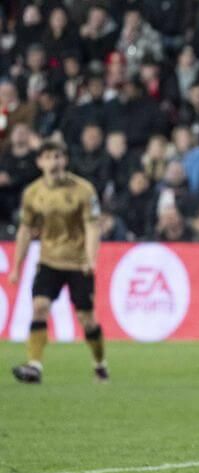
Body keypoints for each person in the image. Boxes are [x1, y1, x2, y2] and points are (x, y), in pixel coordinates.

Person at [9, 140, 109, 384]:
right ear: (40, 162)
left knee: (87, 319)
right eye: (48, 157)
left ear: (65, 160)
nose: (54, 161)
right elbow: (25, 229)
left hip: (77, 263)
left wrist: (91, 257)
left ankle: (99, 362)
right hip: (49, 260)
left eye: (58, 156)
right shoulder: (33, 193)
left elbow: (92, 225)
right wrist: (16, 267)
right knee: (40, 307)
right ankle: (34, 365)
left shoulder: (83, 189)